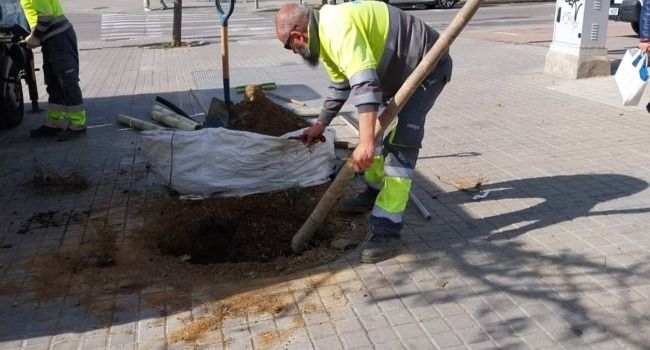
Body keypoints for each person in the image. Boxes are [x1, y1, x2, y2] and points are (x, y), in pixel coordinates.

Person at [275, 1, 452, 263]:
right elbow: (340, 86)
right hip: (393, 74)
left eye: (290, 47)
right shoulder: (324, 39)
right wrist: (320, 125)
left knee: (401, 147)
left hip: (427, 67)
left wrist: (365, 142)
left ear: (298, 36)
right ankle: (374, 190)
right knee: (374, 137)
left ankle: (387, 230)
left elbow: (365, 85)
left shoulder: (336, 28)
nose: (295, 53)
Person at [20, 0, 86, 141]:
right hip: (53, 38)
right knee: (54, 83)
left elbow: (46, 16)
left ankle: (78, 125)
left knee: (67, 81)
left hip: (59, 38)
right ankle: (54, 123)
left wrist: (35, 37)